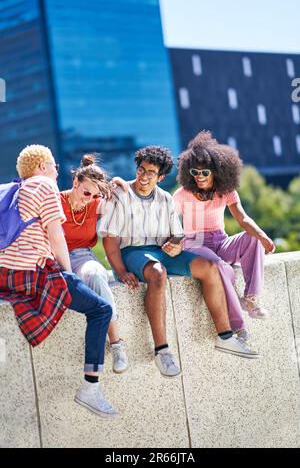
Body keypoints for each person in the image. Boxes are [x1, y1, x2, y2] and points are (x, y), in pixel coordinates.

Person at [98, 145, 259, 379]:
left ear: (161, 177)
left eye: (150, 173)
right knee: (157, 272)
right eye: (141, 170)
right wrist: (121, 271)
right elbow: (109, 241)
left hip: (162, 250)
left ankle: (225, 336)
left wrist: (176, 244)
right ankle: (162, 351)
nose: (143, 176)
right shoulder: (120, 195)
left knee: (210, 267)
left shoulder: (165, 199)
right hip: (132, 251)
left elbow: (178, 234)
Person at [0, 144, 118, 418]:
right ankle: (90, 388)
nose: (57, 170)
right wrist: (68, 275)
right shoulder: (45, 187)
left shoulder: (13, 189)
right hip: (32, 273)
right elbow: (57, 237)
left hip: (6, 275)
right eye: (53, 165)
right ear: (42, 167)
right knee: (102, 310)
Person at [173, 130, 276, 321]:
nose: (199, 176)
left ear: (218, 172)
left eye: (205, 172)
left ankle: (251, 298)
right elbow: (169, 223)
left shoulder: (226, 191)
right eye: (195, 172)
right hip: (196, 244)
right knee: (220, 266)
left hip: (221, 241)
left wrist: (262, 236)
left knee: (253, 238)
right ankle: (236, 310)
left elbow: (243, 219)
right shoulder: (182, 194)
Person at [60, 154, 128, 373]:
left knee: (98, 274)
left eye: (95, 195)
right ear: (75, 183)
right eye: (86, 192)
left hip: (82, 256)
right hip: (54, 258)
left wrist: (118, 183)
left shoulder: (95, 204)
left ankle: (117, 344)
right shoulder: (56, 201)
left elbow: (124, 202)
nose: (89, 198)